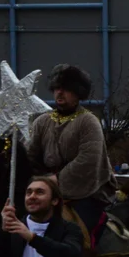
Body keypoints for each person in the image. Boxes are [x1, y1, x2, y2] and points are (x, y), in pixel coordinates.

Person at [27, 64, 117, 241]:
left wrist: (57, 180)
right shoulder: (41, 122)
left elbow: (89, 159)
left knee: (80, 233)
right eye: (57, 88)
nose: (60, 93)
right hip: (46, 188)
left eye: (66, 89)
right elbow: (31, 155)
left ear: (78, 94)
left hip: (87, 191)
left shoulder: (88, 121)